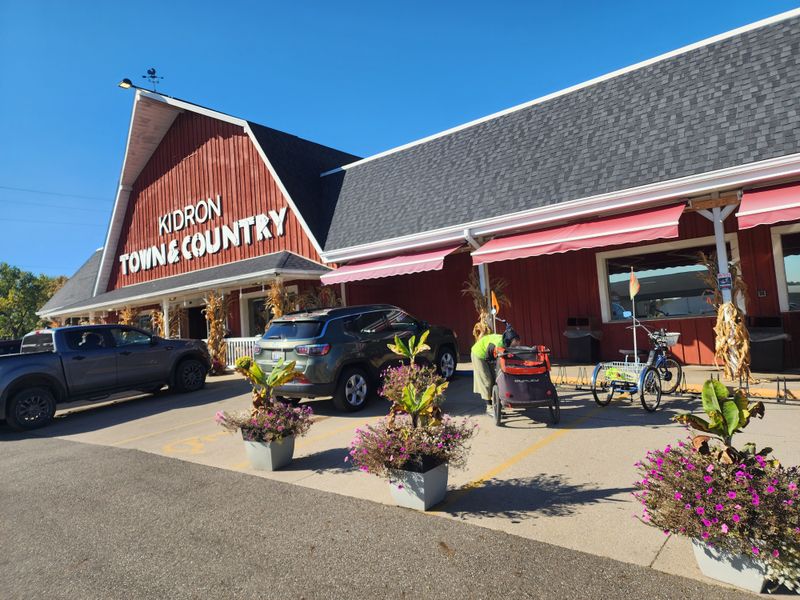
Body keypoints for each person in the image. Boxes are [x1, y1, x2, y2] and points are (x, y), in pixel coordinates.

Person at [471, 327, 521, 413]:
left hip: (490, 354)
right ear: (509, 341)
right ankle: (489, 406)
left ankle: (497, 403)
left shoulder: (507, 341)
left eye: (517, 344)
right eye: (515, 345)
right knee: (487, 380)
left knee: (496, 379)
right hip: (479, 354)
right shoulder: (497, 344)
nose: (516, 346)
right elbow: (489, 357)